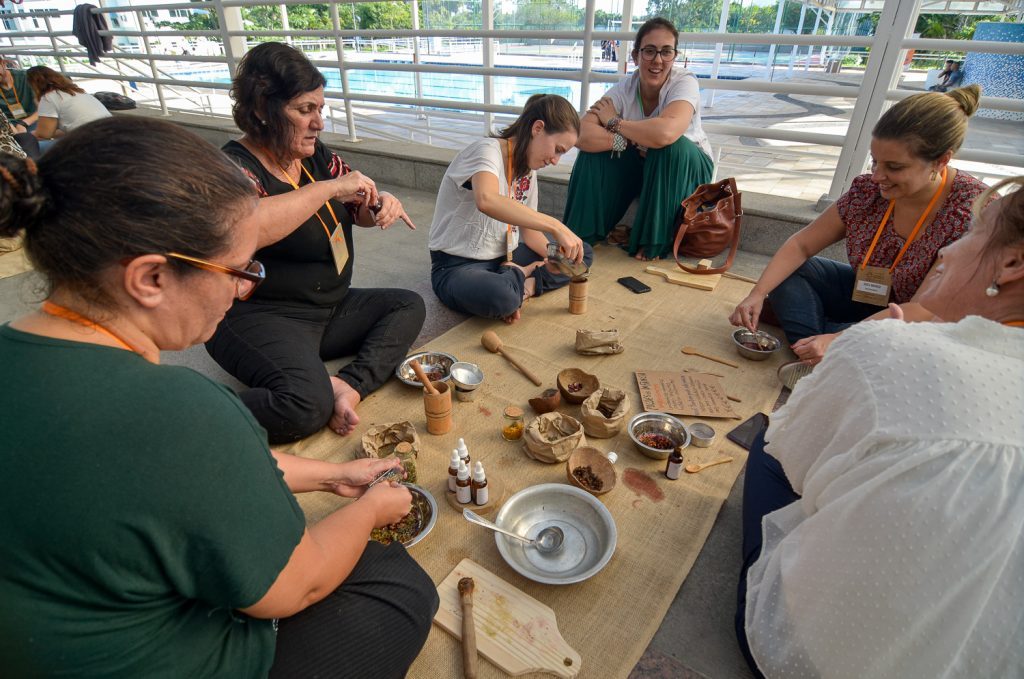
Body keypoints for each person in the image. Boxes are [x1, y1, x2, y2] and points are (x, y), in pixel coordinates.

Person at [0, 116, 438, 677]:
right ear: (150, 278)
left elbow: (171, 473)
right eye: (234, 270)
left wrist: (328, 476)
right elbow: (294, 585)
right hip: (172, 656)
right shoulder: (181, 409)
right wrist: (371, 507)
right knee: (396, 580)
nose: (242, 287)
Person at [735, 176, 1024, 679]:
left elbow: (799, 460)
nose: (951, 249)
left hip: (816, 653)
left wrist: (863, 347)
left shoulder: (891, 349)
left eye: (976, 233)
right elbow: (802, 245)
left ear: (1013, 264)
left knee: (771, 441)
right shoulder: (866, 192)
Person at [206, 42, 424, 443]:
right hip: (261, 316)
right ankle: (194, 410)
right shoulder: (235, 168)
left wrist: (378, 207)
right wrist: (330, 187)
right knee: (305, 405)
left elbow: (354, 207)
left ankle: (349, 385)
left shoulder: (313, 154)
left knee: (407, 304)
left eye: (320, 109)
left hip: (327, 307)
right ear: (261, 109)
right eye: (304, 110)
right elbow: (250, 226)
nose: (318, 123)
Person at [729, 85, 988, 386]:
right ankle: (827, 351)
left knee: (907, 351)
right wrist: (757, 294)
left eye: (894, 167)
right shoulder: (868, 191)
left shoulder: (970, 213)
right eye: (875, 161)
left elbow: (924, 309)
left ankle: (827, 346)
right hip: (868, 299)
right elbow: (801, 244)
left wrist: (840, 337)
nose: (877, 176)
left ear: (941, 160)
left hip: (916, 323)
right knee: (792, 273)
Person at [429, 94, 590, 323]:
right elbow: (486, 199)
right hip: (457, 267)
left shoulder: (528, 169)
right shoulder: (486, 151)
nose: (555, 160)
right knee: (502, 296)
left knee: (581, 255)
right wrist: (555, 226)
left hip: (506, 257)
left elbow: (530, 233)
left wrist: (558, 259)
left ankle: (526, 287)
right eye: (558, 149)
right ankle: (519, 277)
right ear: (537, 128)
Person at [563, 17, 713, 261]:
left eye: (666, 52)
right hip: (644, 162)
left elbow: (666, 133)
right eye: (650, 51)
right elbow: (581, 133)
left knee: (667, 147)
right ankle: (580, 235)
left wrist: (615, 123)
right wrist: (625, 142)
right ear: (635, 56)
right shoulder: (626, 87)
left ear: (675, 56)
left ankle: (654, 241)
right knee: (594, 151)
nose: (657, 60)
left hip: (688, 169)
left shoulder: (685, 82)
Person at [25, 66, 111, 143]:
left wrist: (28, 135)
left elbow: (44, 135)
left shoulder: (48, 98)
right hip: (112, 132)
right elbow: (70, 128)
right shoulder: (77, 91)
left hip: (93, 141)